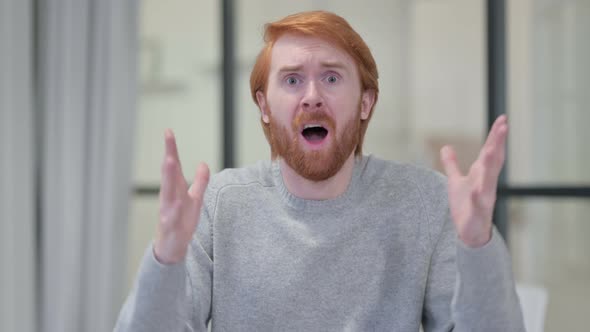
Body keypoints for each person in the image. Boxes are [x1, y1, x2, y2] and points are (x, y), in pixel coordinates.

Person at [115, 11, 525, 331]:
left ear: (365, 102)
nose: (312, 96)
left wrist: (478, 247)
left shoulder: (424, 202)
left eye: (331, 77)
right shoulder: (220, 205)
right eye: (292, 80)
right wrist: (165, 259)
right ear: (264, 106)